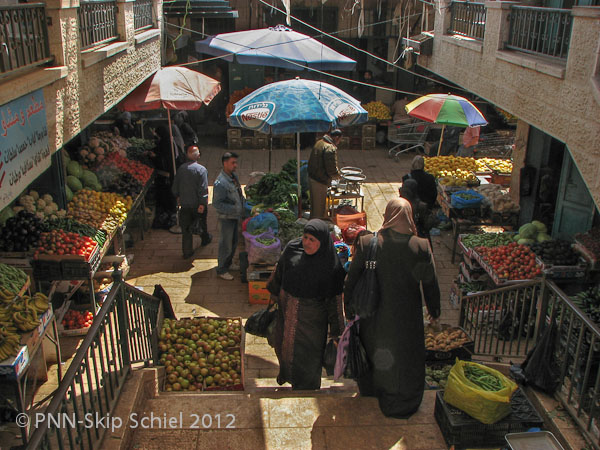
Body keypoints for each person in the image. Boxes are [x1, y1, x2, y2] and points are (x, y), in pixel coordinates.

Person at [344, 198, 441, 418]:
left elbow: (352, 280)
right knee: (404, 356)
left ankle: (374, 391)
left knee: (375, 352)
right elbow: (430, 285)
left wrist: (348, 309)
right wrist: (434, 312)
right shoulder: (421, 246)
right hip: (407, 316)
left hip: (374, 314)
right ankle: (401, 397)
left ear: (388, 215)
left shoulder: (369, 243)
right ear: (409, 216)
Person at [266, 219, 346, 390]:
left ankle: (307, 389)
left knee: (308, 359)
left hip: (312, 323)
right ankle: (286, 376)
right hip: (287, 314)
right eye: (305, 237)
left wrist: (337, 332)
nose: (307, 243)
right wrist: (273, 295)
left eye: (312, 240)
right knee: (284, 349)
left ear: (322, 242)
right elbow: (280, 271)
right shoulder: (292, 249)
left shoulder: (331, 266)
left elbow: (335, 301)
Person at [171, 146, 211, 258]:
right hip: (197, 204)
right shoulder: (201, 170)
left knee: (186, 229)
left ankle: (187, 251)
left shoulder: (181, 169)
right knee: (201, 223)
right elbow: (203, 189)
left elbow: (175, 187)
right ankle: (205, 239)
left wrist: (178, 197)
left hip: (184, 204)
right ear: (198, 156)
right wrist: (203, 204)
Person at [213, 152, 244, 281]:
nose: (235, 165)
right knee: (226, 244)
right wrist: (234, 209)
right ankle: (221, 269)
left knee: (234, 242)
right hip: (226, 218)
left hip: (235, 217)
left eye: (236, 162)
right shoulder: (220, 183)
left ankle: (229, 263)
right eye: (233, 163)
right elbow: (217, 204)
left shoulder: (233, 177)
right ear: (225, 163)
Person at [308, 129, 342, 219]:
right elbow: (331, 169)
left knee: (314, 206)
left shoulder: (319, 142)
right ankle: (316, 228)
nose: (339, 142)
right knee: (319, 208)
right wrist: (338, 176)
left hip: (313, 177)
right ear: (337, 138)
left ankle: (313, 223)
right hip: (320, 180)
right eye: (339, 140)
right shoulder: (329, 148)